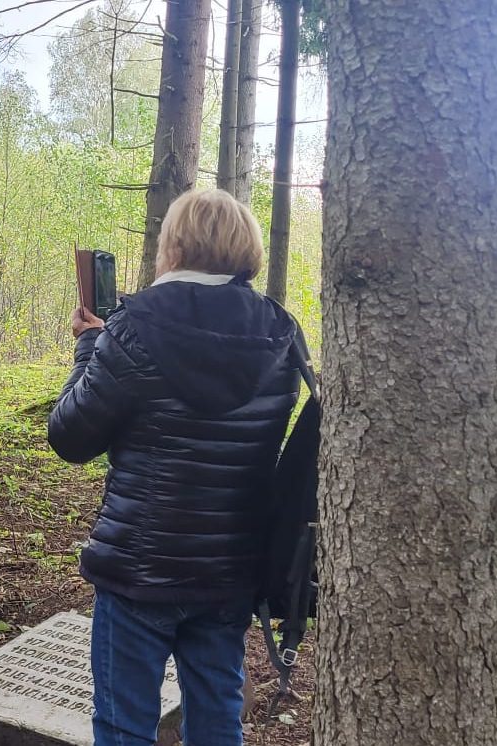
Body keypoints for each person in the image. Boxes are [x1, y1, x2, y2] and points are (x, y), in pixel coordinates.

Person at [48, 188, 301, 746]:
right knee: (218, 721)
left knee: (124, 726)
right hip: (231, 568)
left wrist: (89, 346)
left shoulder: (134, 326)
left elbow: (70, 436)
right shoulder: (279, 333)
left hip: (139, 568)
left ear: (177, 245)